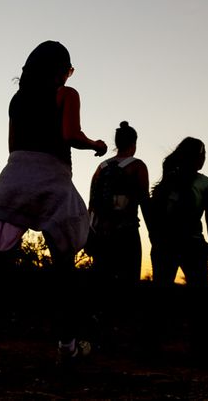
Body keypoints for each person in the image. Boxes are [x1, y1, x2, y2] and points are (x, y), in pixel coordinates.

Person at [0, 40, 107, 375]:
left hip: (14, 178)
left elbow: (12, 146)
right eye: (70, 69)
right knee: (66, 270)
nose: (71, 75)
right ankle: (67, 348)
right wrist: (96, 144)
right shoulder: (66, 94)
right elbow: (71, 134)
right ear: (62, 70)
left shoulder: (17, 99)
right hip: (52, 180)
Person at [147, 137, 208, 359]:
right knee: (199, 298)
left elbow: (155, 214)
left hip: (168, 244)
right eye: (203, 154)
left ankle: (152, 345)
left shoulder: (168, 181)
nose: (205, 158)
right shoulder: (204, 183)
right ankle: (200, 348)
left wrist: (155, 239)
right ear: (196, 157)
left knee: (161, 293)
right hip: (192, 244)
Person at [87, 121, 150, 288]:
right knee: (128, 284)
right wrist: (154, 233)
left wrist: (90, 232)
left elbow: (92, 203)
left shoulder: (101, 167)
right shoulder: (137, 166)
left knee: (102, 282)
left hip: (102, 233)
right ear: (134, 143)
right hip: (126, 232)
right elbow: (145, 201)